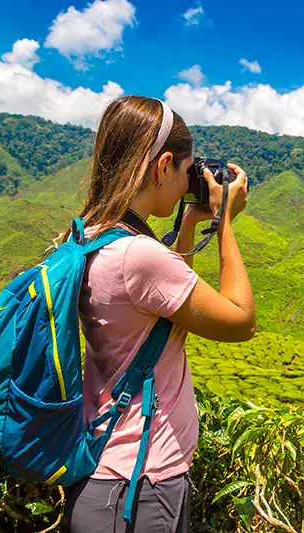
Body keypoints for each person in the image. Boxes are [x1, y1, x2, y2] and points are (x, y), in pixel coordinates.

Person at [62, 95, 255, 532]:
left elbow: (166, 309)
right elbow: (241, 320)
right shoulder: (139, 256)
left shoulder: (93, 234)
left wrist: (188, 225)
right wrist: (224, 222)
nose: (191, 182)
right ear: (163, 165)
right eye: (188, 172)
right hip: (137, 488)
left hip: (108, 470)